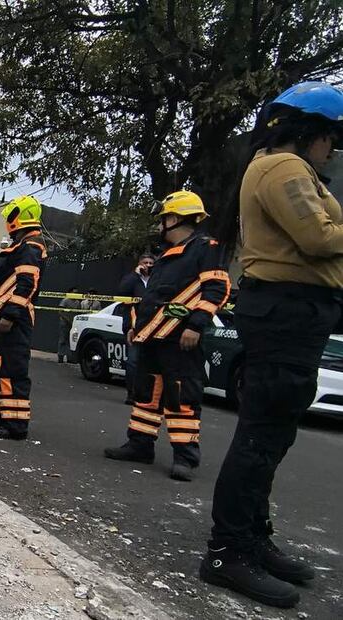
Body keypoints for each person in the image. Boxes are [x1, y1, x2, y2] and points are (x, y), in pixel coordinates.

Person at [201, 81, 343, 609]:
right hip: (284, 310)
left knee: (274, 434)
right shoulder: (283, 167)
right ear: (311, 131)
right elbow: (319, 237)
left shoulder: (292, 168)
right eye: (331, 139)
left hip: (296, 311)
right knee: (261, 437)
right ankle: (228, 550)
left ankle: (253, 538)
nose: (332, 150)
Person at [104, 190, 230, 481]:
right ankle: (139, 445)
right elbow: (153, 298)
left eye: (163, 220)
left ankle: (185, 457)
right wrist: (137, 326)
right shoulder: (165, 256)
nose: (160, 226)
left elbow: (216, 290)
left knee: (182, 397)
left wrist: (195, 325)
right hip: (152, 337)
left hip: (179, 338)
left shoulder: (205, 248)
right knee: (146, 396)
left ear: (174, 218)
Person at [0, 195, 47, 440]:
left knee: (12, 370)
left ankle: (16, 425)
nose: (8, 220)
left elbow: (27, 284)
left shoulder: (31, 247)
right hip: (6, 318)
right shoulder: (21, 245)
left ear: (21, 216)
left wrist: (11, 314)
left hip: (15, 319)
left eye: (11, 215)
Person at [119, 254, 155, 404]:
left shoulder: (157, 279)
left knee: (150, 363)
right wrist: (135, 274)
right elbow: (122, 292)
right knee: (133, 361)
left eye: (151, 263)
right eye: (145, 262)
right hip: (135, 327)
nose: (148, 265)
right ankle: (131, 394)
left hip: (154, 327)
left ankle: (147, 394)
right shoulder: (133, 279)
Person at [57, 287, 81, 363]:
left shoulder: (78, 302)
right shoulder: (65, 300)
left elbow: (79, 313)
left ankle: (69, 358)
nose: (76, 294)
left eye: (77, 293)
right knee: (62, 340)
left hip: (73, 324)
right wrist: (67, 319)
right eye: (74, 292)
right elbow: (60, 311)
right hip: (64, 323)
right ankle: (60, 357)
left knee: (71, 341)